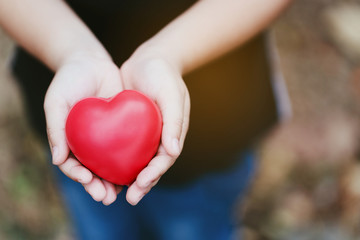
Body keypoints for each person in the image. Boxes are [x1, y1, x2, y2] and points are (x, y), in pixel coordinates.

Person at [0, 0, 292, 239]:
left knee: (196, 228)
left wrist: (168, 53)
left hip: (214, 125)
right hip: (75, 127)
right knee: (99, 227)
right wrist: (70, 51)